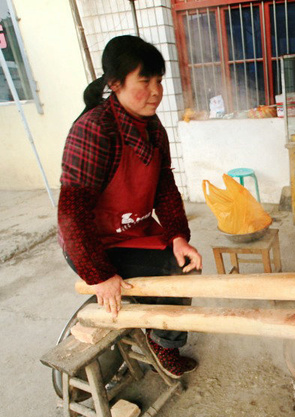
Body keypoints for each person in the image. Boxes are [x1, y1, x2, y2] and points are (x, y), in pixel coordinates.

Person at [58, 35, 202, 378]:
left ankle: (160, 333)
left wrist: (179, 236)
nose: (156, 91)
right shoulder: (94, 130)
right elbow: (71, 213)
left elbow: (164, 186)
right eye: (145, 81)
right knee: (171, 273)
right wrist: (100, 274)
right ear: (115, 84)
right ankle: (164, 344)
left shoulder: (152, 127)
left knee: (184, 266)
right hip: (97, 245)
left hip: (133, 231)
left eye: (159, 81)